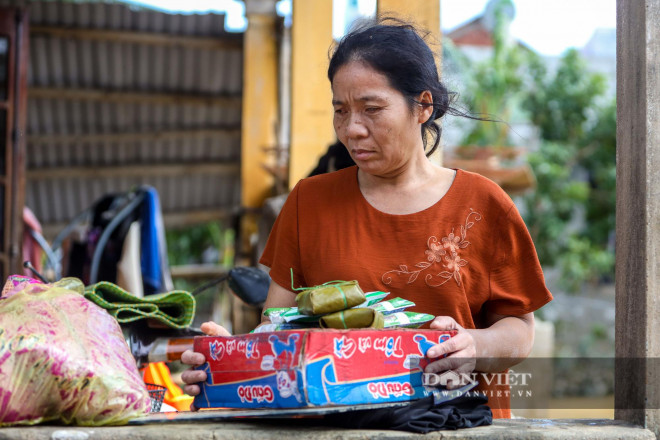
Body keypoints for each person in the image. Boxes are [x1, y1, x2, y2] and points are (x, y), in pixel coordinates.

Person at [181, 17, 552, 419]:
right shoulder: (309, 201)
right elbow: (278, 332)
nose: (352, 129)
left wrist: (473, 346)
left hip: (456, 423)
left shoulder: (483, 203)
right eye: (340, 110)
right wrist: (233, 359)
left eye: (372, 109)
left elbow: (519, 330)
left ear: (423, 106)